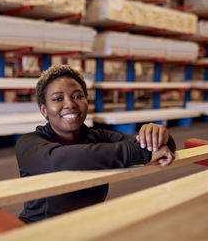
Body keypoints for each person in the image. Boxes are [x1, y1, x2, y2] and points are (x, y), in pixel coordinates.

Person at [15, 64, 176, 223]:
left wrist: (160, 136)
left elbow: (154, 147)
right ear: (44, 109)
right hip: (39, 233)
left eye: (78, 96)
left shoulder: (100, 137)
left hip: (87, 228)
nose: (70, 104)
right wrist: (143, 153)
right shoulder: (29, 145)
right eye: (58, 98)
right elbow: (64, 160)